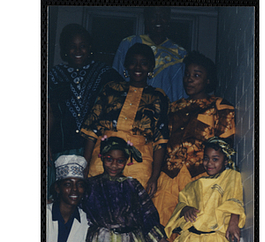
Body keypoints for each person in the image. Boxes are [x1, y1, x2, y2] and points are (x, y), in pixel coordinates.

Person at [149, 51, 236, 242]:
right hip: (169, 175)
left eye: (196, 75)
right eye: (187, 75)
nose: (189, 80)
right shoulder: (172, 107)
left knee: (194, 236)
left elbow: (226, 149)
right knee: (161, 231)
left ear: (208, 80)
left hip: (199, 180)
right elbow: (161, 142)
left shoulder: (220, 106)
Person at [81, 136, 172, 242]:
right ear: (102, 157)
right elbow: (80, 209)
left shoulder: (133, 185)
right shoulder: (91, 185)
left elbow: (147, 213)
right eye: (109, 159)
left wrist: (159, 237)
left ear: (127, 161)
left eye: (120, 161)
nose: (114, 165)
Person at [80, 43, 169, 197]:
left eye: (144, 63)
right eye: (133, 62)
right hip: (103, 157)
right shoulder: (110, 89)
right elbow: (92, 130)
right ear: (126, 65)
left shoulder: (158, 96)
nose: (138, 67)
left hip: (138, 162)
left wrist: (154, 176)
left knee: (131, 209)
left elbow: (160, 141)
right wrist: (85, 165)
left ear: (150, 67)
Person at [161, 137, 246, 242]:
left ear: (225, 161)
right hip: (192, 240)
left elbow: (234, 199)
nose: (209, 163)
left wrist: (234, 222)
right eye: (206, 159)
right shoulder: (195, 184)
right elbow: (182, 202)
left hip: (213, 241)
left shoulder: (231, 177)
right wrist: (185, 209)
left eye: (215, 159)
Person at [48, 23, 122, 197]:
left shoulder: (106, 73)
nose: (78, 51)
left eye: (82, 46)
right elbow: (48, 111)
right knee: (61, 195)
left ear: (90, 48)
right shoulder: (54, 75)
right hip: (62, 146)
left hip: (95, 148)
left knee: (90, 195)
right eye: (72, 47)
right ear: (65, 49)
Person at [46, 155, 104, 242]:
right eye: (68, 184)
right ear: (57, 188)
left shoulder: (85, 220)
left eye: (80, 184)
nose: (74, 190)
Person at [113, 6, 187, 102]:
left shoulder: (180, 54)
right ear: (146, 20)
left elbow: (180, 91)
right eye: (153, 16)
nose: (158, 20)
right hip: (128, 104)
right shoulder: (129, 43)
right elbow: (116, 77)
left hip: (162, 108)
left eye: (163, 16)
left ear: (168, 20)